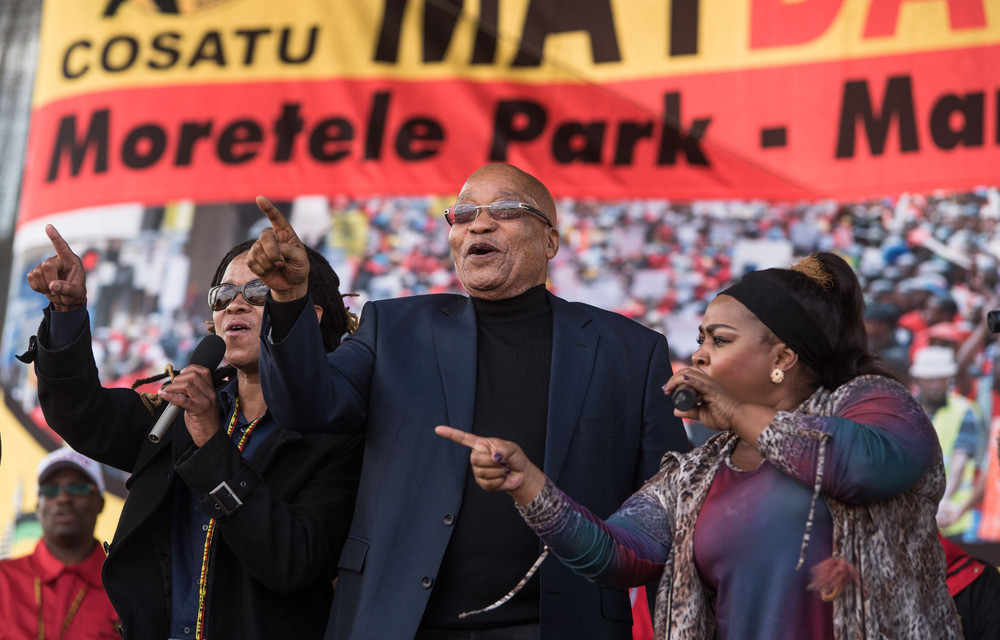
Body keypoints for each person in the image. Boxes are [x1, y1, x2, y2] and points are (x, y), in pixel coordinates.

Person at [249, 162, 691, 639]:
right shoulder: (393, 330)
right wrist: (291, 298)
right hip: (400, 622)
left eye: (505, 209)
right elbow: (306, 406)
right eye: (463, 214)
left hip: (559, 625)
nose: (479, 223)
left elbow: (668, 512)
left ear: (550, 241)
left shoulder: (629, 351)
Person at [439, 251, 961, 639]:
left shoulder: (874, 403)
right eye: (700, 340)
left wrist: (734, 412)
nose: (700, 357)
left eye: (720, 340)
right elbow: (618, 554)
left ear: (783, 355)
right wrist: (530, 486)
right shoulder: (699, 469)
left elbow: (863, 467)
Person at [20, 229, 364, 640]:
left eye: (257, 292)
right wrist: (67, 312)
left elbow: (291, 562)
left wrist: (211, 444)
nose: (235, 303)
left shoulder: (341, 434)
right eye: (223, 295)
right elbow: (80, 413)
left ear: (305, 314)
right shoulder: (178, 414)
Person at [0, 447, 120, 639]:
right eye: (50, 490)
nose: (63, 498)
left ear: (100, 502)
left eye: (78, 488)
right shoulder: (3, 580)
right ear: (38, 507)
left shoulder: (125, 589)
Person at [911, 345, 987, 539]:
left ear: (949, 379)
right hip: (912, 517)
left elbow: (960, 461)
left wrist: (941, 502)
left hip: (950, 517)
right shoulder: (906, 409)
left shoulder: (964, 410)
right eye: (930, 379)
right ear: (918, 380)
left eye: (941, 378)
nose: (935, 384)